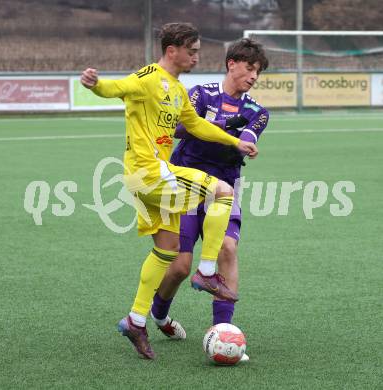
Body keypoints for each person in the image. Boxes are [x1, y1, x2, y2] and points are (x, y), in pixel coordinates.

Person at [80, 23, 259, 359]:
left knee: (167, 250)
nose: (196, 57)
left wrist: (237, 142)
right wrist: (95, 84)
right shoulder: (149, 77)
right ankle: (207, 273)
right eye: (191, 51)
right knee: (222, 192)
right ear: (172, 49)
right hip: (149, 173)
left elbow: (196, 125)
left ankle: (136, 320)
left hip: (145, 179)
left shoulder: (177, 89)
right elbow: (117, 87)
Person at [150, 38, 269, 362]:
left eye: (257, 71)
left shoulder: (256, 111)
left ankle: (222, 332)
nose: (253, 76)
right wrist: (220, 126)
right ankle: (159, 315)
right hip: (186, 185)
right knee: (179, 266)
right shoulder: (201, 95)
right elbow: (176, 128)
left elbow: (249, 134)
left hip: (225, 187)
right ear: (232, 64)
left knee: (228, 249)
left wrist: (243, 140)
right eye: (249, 68)